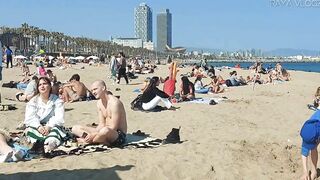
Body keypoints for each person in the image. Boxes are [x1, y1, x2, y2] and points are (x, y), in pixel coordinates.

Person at [72, 80, 127, 146]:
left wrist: (94, 134)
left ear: (103, 88)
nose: (93, 92)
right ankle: (91, 139)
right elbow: (102, 124)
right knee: (75, 128)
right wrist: (93, 133)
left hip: (117, 134)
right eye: (92, 90)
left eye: (95, 89)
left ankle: (89, 140)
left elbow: (114, 127)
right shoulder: (99, 103)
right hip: (102, 132)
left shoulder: (115, 103)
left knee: (105, 130)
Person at [24, 77, 66, 153]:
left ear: (50, 86)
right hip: (37, 126)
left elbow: (59, 117)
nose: (42, 86)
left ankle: (48, 147)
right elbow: (30, 117)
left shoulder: (57, 101)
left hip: (52, 125)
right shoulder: (33, 101)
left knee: (55, 131)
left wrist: (48, 126)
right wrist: (39, 126)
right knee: (31, 130)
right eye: (40, 85)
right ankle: (37, 145)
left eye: (44, 84)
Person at [300, 110, 320, 180]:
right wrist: (305, 172)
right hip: (314, 127)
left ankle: (314, 171)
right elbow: (304, 153)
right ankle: (314, 172)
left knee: (313, 147)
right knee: (312, 147)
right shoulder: (307, 130)